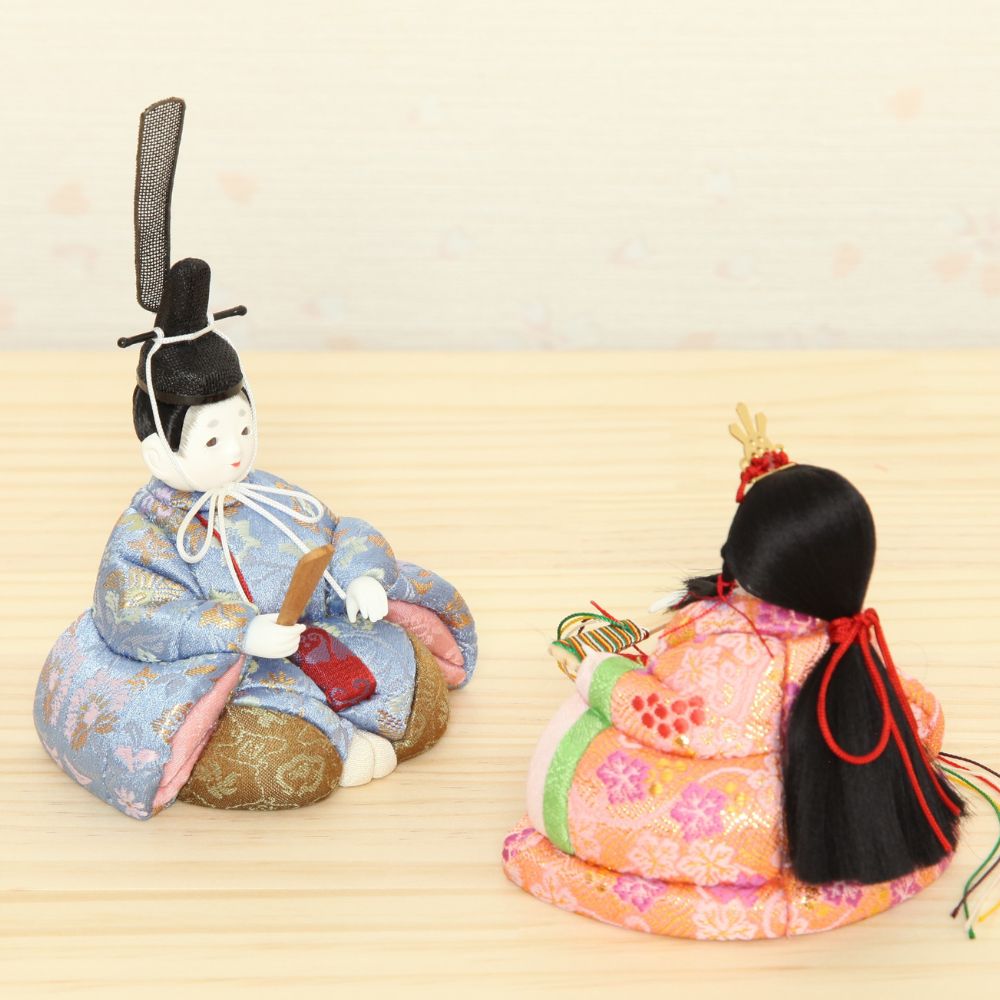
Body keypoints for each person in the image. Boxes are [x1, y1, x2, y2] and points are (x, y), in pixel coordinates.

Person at [502, 405, 961, 939]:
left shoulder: (739, 649)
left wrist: (596, 671)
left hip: (741, 818)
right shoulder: (844, 642)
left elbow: (676, 720)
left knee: (615, 782)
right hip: (824, 806)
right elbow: (915, 712)